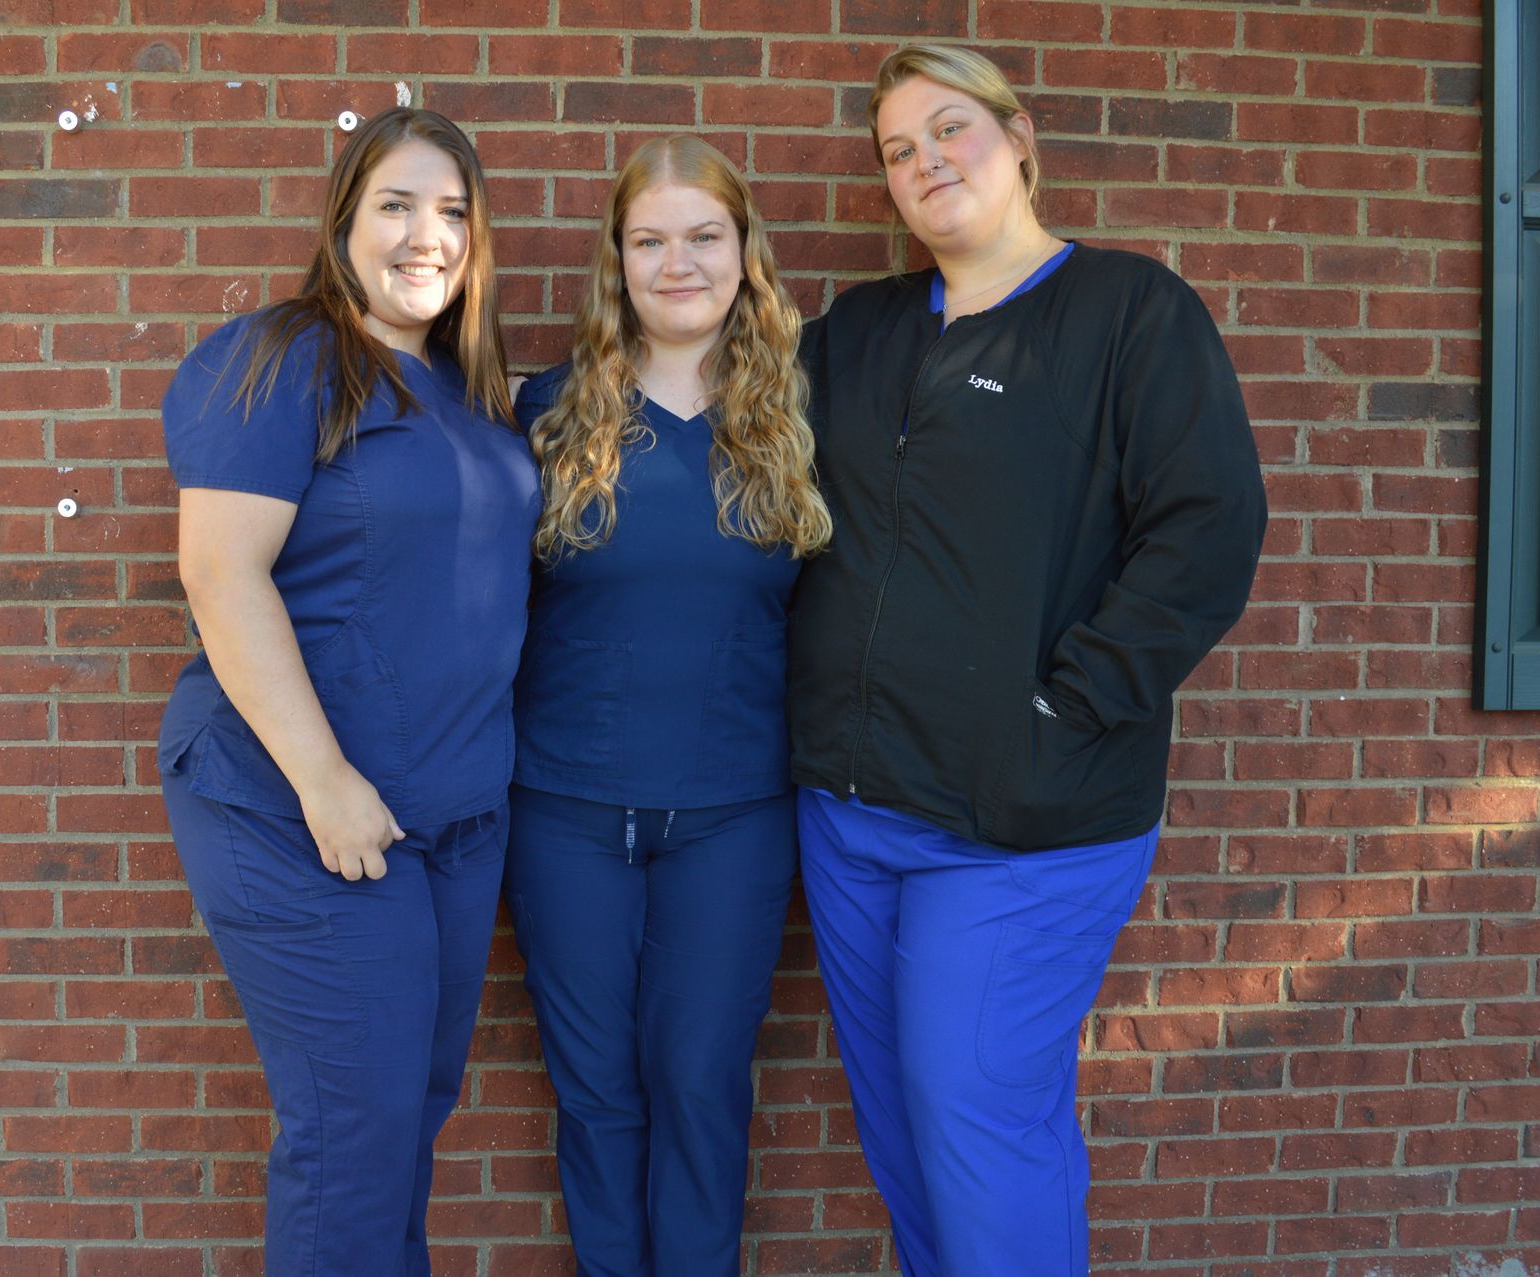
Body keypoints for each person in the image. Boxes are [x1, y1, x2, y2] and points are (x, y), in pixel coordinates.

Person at [787, 45, 1268, 1276]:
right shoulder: (861, 332)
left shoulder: (1127, 313)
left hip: (1025, 817)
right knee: (901, 1132)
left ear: (1018, 136)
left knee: (980, 1122)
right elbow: (733, 436)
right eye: (898, 150)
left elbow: (1208, 529)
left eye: (949, 129)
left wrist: (1063, 707)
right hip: (850, 808)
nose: (924, 162)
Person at [155, 107, 538, 1276]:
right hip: (304, 811)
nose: (429, 235)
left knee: (406, 1120)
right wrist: (325, 782)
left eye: (455, 212)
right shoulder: (274, 358)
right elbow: (221, 576)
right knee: (354, 1134)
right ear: (344, 220)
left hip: (456, 816)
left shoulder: (471, 390)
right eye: (398, 205)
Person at [506, 135, 832, 1276]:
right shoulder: (547, 416)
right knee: (595, 1087)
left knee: (699, 1083)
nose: (678, 261)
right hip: (563, 813)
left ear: (745, 252)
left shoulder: (794, 422)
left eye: (704, 235)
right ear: (618, 259)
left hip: (735, 817)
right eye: (650, 239)